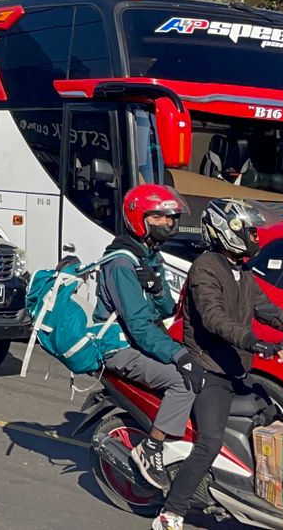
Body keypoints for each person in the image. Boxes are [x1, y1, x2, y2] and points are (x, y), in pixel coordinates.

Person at [151, 199, 283, 530]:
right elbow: (214, 319)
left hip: (236, 366)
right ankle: (172, 511)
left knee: (270, 413)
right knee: (210, 440)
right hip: (209, 369)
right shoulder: (206, 268)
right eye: (249, 231)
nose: (254, 237)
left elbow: (269, 310)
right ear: (228, 230)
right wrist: (256, 342)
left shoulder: (242, 272)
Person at [96, 184, 202, 491]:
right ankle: (151, 448)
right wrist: (179, 356)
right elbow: (140, 327)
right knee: (183, 380)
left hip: (143, 338)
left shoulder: (148, 255)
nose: (167, 224)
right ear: (138, 218)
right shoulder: (121, 262)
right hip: (119, 347)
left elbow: (168, 309)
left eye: (170, 218)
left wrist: (156, 287)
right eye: (158, 217)